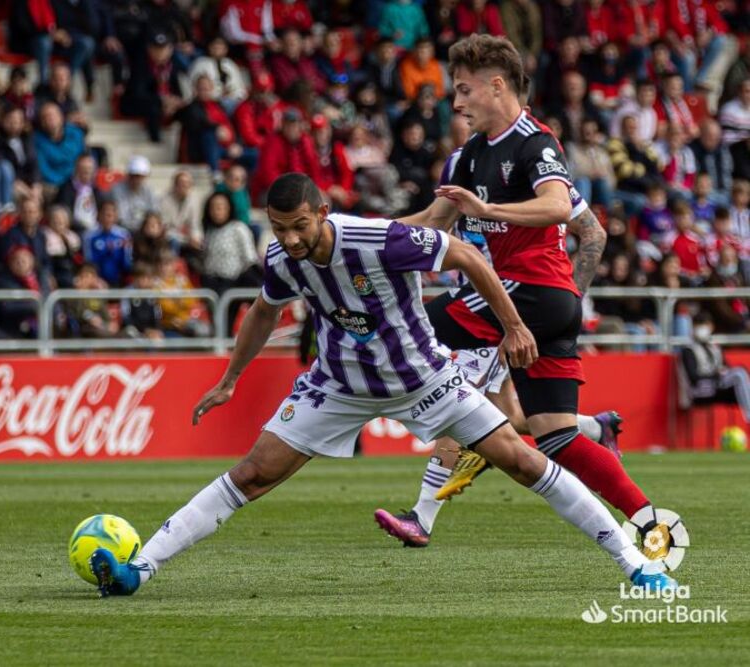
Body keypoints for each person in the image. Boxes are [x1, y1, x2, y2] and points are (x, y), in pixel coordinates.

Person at [88, 173, 677, 596]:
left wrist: (515, 324)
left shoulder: (378, 239)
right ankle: (140, 569)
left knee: (522, 462)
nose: (291, 240)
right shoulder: (281, 258)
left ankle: (635, 564)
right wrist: (230, 379)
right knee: (252, 474)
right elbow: (264, 311)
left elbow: (470, 257)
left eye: (299, 227)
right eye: (279, 229)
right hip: (337, 385)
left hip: (424, 378)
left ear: (321, 213)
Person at [377, 35, 678, 551]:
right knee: (557, 437)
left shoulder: (535, 142)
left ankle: (422, 500)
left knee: (410, 330)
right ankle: (654, 525)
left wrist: (489, 211)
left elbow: (560, 207)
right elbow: (433, 221)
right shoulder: (471, 155)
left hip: (526, 293)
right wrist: (356, 237)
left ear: (497, 86)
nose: (457, 103)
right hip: (543, 302)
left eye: (465, 90)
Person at [678, 312, 750, 423]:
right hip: (699, 390)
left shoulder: (715, 347)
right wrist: (716, 375)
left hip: (716, 387)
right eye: (698, 325)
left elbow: (726, 368)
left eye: (705, 324)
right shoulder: (688, 350)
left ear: (711, 327)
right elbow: (693, 377)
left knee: (741, 375)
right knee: (739, 374)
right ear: (693, 327)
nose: (702, 328)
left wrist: (722, 374)